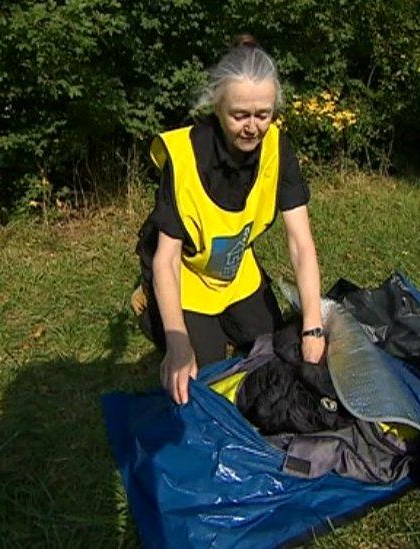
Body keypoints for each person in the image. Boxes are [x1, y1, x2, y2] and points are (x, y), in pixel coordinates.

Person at [132, 35, 325, 406]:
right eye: (240, 115)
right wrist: (176, 341)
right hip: (187, 274)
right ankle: (153, 310)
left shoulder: (278, 149)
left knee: (278, 351)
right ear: (217, 106)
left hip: (236, 271)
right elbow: (167, 258)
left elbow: (301, 244)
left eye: (263, 115)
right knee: (203, 380)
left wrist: (313, 327)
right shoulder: (184, 156)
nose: (252, 127)